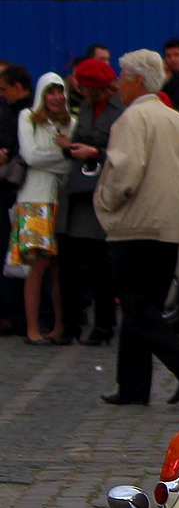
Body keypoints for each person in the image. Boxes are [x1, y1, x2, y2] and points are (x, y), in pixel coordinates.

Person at [94, 50, 179, 406]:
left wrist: (106, 202)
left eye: (122, 78)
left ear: (137, 81)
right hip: (169, 226)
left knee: (136, 307)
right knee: (146, 307)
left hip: (135, 226)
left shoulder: (132, 118)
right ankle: (133, 385)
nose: (117, 85)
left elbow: (124, 172)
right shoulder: (175, 118)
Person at [57, 57, 121, 346]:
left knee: (101, 266)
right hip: (77, 194)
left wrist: (93, 152)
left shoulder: (119, 111)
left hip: (102, 195)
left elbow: (122, 154)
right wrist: (71, 149)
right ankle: (71, 324)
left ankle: (104, 325)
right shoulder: (83, 107)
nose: (79, 89)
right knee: (70, 264)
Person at [13, 74, 72, 343]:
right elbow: (29, 155)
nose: (57, 97)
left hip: (60, 198)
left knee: (59, 267)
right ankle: (32, 328)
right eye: (51, 92)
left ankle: (59, 326)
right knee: (37, 266)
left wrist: (56, 158)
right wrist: (61, 154)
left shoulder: (72, 123)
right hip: (34, 199)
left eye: (61, 92)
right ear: (42, 95)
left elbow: (71, 164)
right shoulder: (27, 117)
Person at [0, 64, 33, 336]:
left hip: (16, 190)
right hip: (9, 190)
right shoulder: (10, 110)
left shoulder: (26, 112)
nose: (2, 93)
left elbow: (25, 152)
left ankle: (18, 316)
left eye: (4, 88)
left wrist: (9, 156)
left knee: (18, 256)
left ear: (18, 86)